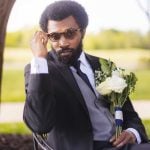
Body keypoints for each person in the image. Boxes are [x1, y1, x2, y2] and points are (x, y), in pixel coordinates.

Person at [23, 1, 150, 150]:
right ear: (46, 37)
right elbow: (40, 124)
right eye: (55, 36)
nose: (63, 42)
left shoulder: (104, 66)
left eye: (69, 33)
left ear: (82, 31)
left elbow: (129, 114)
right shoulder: (40, 70)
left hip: (122, 145)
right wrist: (39, 59)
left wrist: (132, 132)